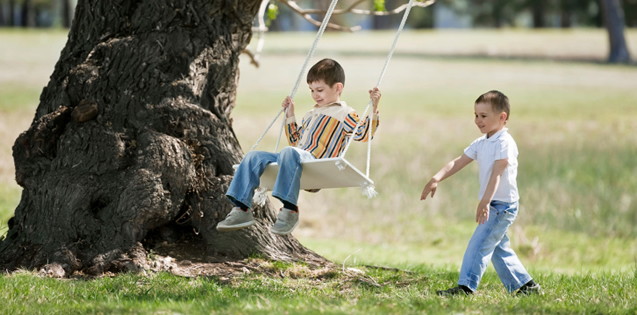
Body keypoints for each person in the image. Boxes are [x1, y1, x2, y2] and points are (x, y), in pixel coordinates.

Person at [217, 58, 381, 235]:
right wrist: (290, 115)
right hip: (296, 158)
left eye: (320, 90)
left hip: (316, 163)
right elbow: (295, 143)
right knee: (253, 157)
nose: (315, 95)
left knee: (289, 152)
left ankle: (289, 210)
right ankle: (241, 209)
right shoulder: (312, 113)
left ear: (338, 88)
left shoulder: (345, 113)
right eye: (311, 90)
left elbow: (363, 134)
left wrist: (374, 107)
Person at [420, 90, 540, 296]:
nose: (478, 120)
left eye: (483, 116)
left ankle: (466, 287)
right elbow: (459, 161)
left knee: (478, 245)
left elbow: (497, 174)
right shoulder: (482, 142)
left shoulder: (505, 142)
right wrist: (436, 178)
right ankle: (526, 287)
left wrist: (485, 201)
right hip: (493, 205)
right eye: (476, 115)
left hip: (501, 206)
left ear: (502, 117)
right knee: (497, 249)